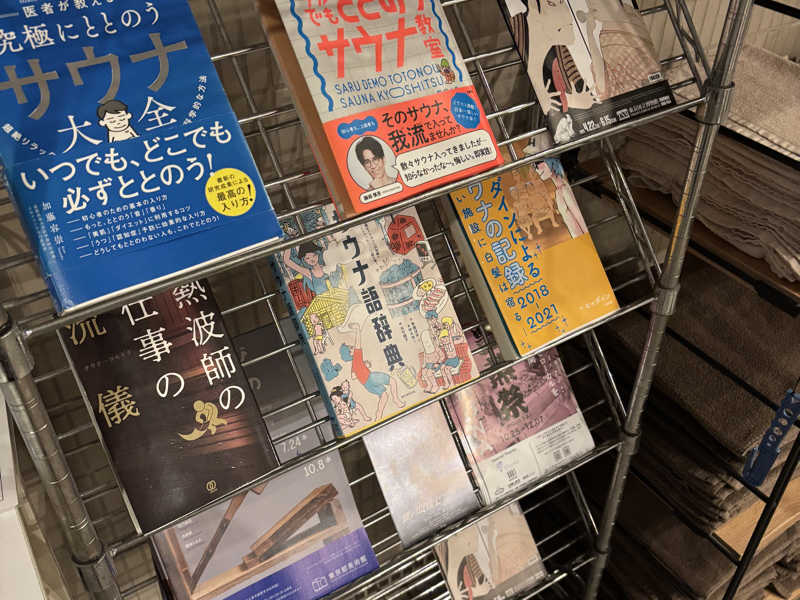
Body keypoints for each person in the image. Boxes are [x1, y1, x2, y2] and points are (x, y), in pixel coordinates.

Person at [339, 322, 402, 421]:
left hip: (367, 385)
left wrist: (363, 365)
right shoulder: (356, 355)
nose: (353, 347)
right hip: (371, 377)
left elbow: (353, 376)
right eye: (351, 348)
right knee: (392, 381)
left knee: (384, 395)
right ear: (350, 353)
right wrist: (357, 329)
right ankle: (396, 400)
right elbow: (358, 342)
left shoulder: (354, 364)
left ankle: (379, 415)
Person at [535, 159, 588, 237]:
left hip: (564, 188)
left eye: (538, 166)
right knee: (569, 218)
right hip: (560, 190)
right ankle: (580, 237)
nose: (537, 169)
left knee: (577, 213)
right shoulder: (552, 176)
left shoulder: (557, 169)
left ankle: (584, 234)